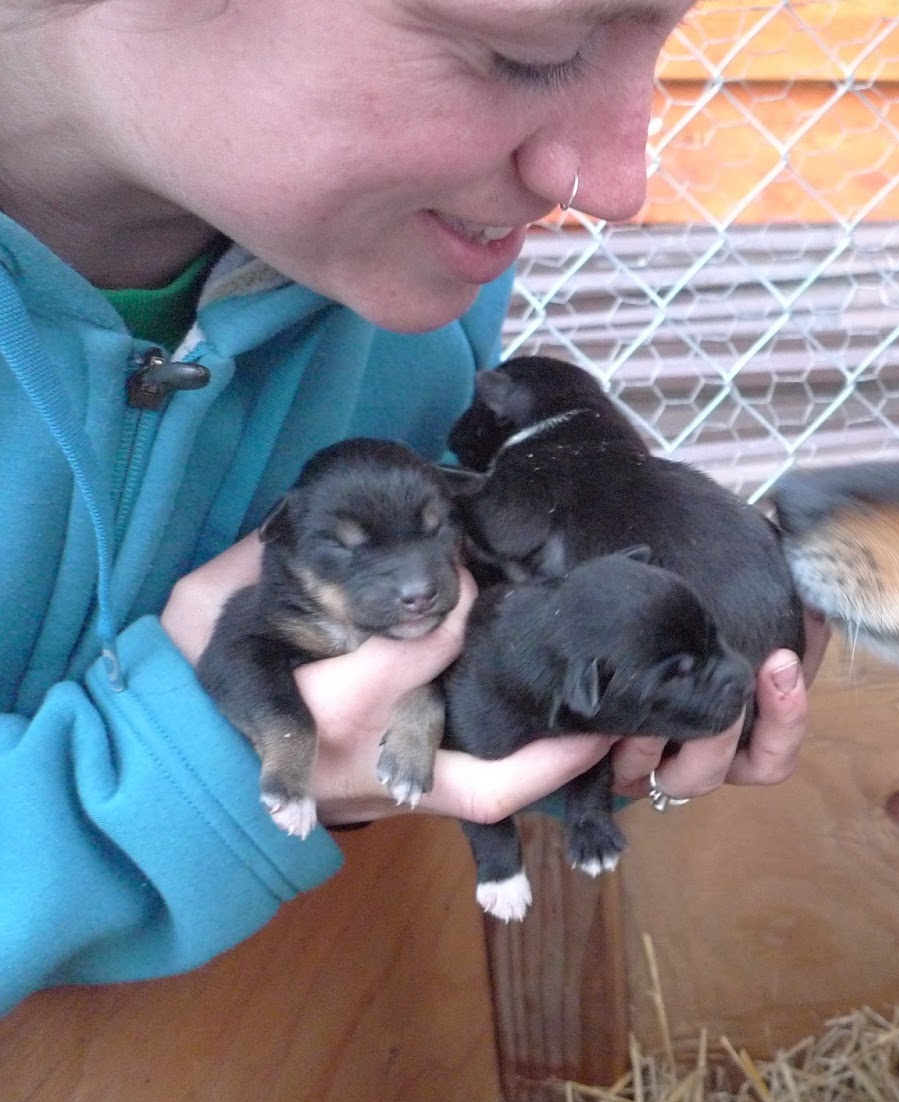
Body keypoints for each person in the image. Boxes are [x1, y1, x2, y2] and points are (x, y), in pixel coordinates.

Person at [0, 0, 824, 1015]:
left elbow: (436, 677)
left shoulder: (405, 292)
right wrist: (180, 783)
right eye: (532, 52)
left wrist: (615, 655)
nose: (614, 184)